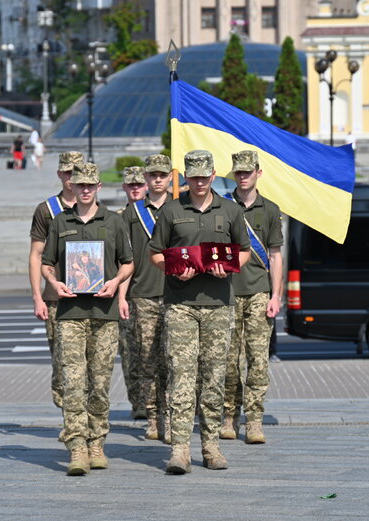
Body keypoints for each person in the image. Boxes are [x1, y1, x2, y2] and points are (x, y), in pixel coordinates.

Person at [148, 150, 250, 474]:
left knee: (214, 378)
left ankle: (210, 447)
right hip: (180, 306)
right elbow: (155, 255)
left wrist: (229, 268)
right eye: (194, 177)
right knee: (181, 375)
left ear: (213, 174)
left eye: (205, 176)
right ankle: (179, 450)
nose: (200, 181)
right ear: (186, 177)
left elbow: (244, 251)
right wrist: (174, 270)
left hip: (219, 305)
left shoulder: (231, 210)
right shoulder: (171, 210)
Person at [42, 162, 134, 476]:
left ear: (98, 188)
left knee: (99, 383)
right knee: (72, 382)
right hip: (70, 314)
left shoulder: (113, 221)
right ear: (72, 186)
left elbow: (128, 263)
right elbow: (46, 263)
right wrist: (54, 284)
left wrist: (115, 283)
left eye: (90, 186)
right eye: (79, 185)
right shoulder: (59, 222)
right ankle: (77, 446)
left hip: (104, 314)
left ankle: (97, 442)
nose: (84, 190)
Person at [220, 150, 284, 445]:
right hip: (226, 293)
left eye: (248, 171)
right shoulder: (220, 208)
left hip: (259, 292)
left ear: (258, 173)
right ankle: (229, 416)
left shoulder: (270, 210)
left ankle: (254, 420)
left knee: (257, 360)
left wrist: (276, 295)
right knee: (228, 361)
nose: (243, 176)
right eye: (239, 172)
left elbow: (275, 256)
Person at [28, 151, 82, 440]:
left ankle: (83, 421)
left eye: (76, 172)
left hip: (90, 297)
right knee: (62, 362)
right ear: (60, 175)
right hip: (56, 299)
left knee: (88, 363)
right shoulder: (47, 210)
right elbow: (36, 254)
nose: (72, 179)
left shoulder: (95, 208)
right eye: (67, 173)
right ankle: (69, 418)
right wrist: (37, 297)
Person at [119, 156, 173, 441]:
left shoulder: (181, 208)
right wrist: (122, 296)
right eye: (152, 175)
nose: (157, 180)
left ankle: (171, 415)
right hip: (143, 294)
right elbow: (124, 259)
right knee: (148, 360)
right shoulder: (131, 214)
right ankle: (153, 416)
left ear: (170, 178)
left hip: (177, 295)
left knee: (173, 361)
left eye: (162, 175)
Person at [116, 167, 149, 419]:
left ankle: (155, 401)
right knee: (130, 351)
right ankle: (137, 401)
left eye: (139, 184)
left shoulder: (157, 215)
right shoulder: (118, 218)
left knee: (155, 352)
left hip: (153, 291)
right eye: (130, 185)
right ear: (124, 187)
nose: (135, 188)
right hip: (127, 294)